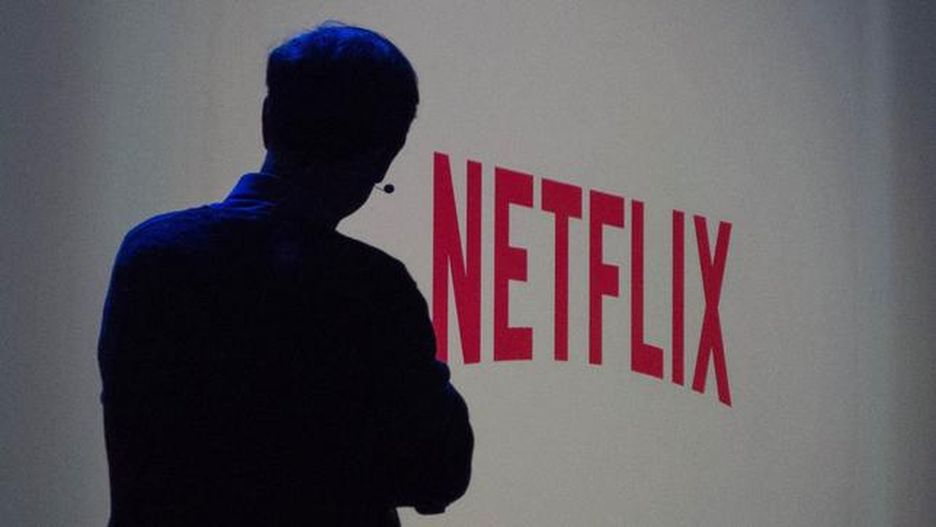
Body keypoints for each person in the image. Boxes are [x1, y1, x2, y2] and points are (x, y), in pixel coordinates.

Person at [98, 23, 473, 526]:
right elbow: (440, 471)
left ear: (267, 121)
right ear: (380, 158)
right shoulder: (373, 290)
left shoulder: (150, 255)